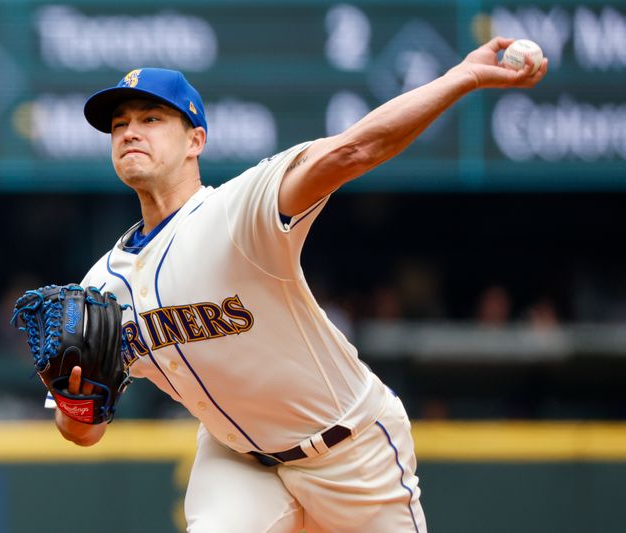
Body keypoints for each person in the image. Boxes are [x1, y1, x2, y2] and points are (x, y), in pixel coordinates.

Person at [53, 37, 547, 533]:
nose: (129, 132)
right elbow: (84, 431)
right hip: (238, 459)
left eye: (151, 119)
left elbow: (354, 150)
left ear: (195, 141)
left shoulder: (237, 213)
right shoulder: (99, 289)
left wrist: (461, 77)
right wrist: (74, 402)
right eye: (119, 125)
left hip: (349, 449)